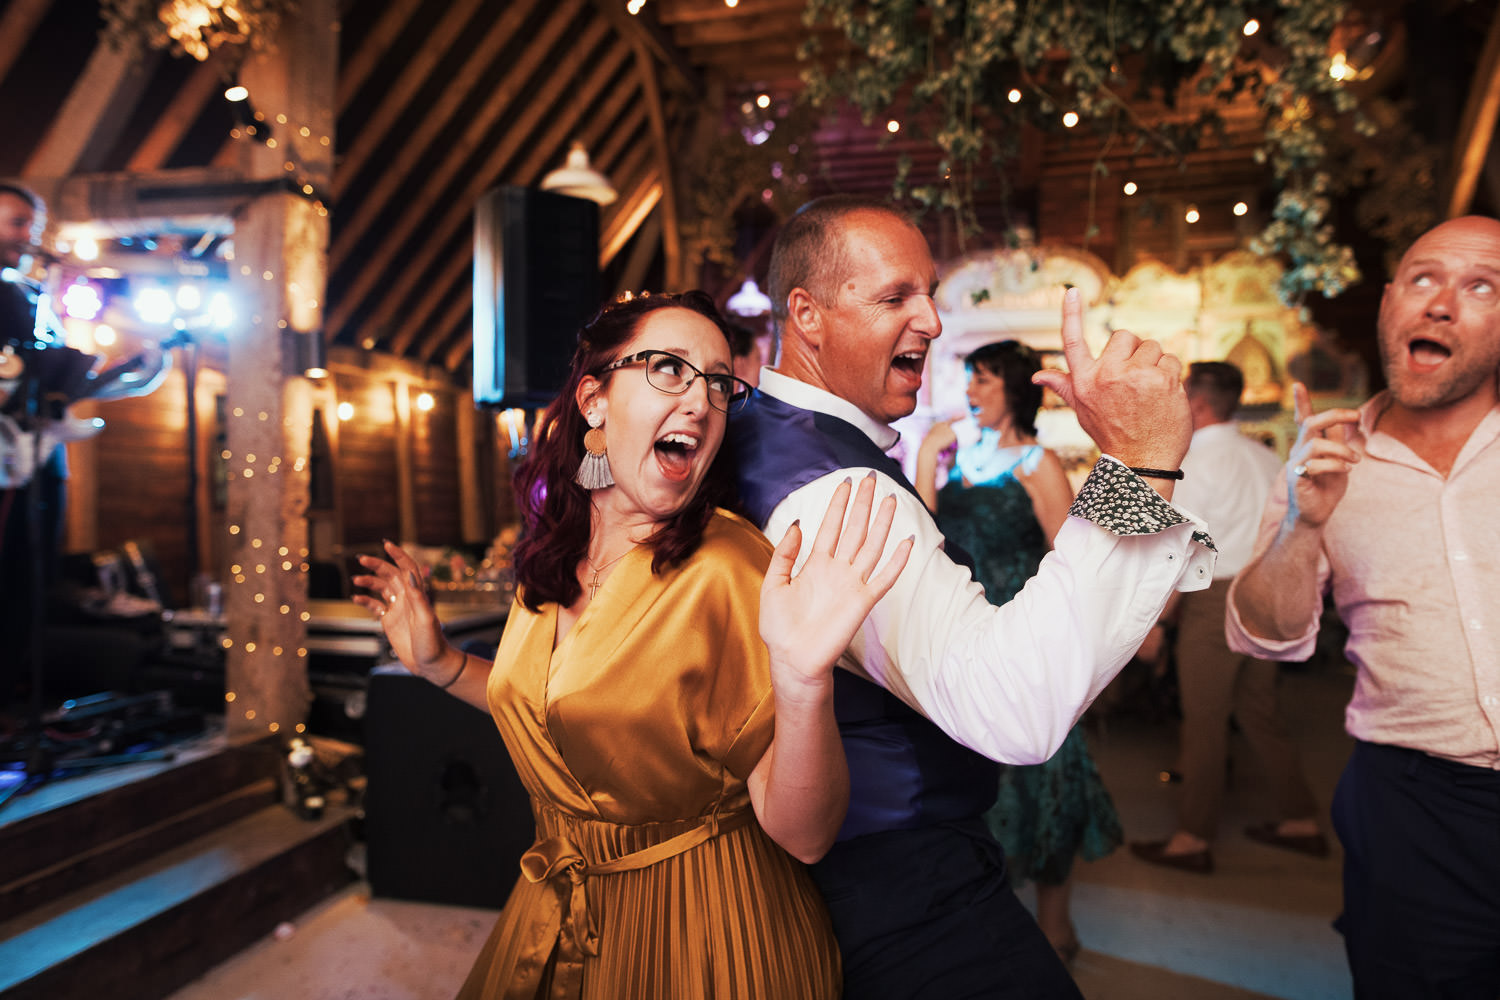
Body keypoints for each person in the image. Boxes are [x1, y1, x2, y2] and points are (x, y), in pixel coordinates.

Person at [354, 290, 912, 999]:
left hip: (705, 928)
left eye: (717, 382)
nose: (703, 401)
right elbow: (564, 718)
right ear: (593, 400)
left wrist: (806, 682)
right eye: (669, 369)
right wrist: (441, 665)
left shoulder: (732, 569)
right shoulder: (555, 553)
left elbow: (805, 835)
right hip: (562, 908)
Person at [728, 195, 1216, 999]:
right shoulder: (837, 491)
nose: (930, 319)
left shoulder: (771, 435)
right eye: (894, 297)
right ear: (806, 316)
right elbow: (1008, 708)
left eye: (929, 291)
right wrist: (1143, 464)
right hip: (900, 877)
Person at [1227, 216, 1500, 998]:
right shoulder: (1320, 464)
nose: (1441, 304)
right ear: (1387, 307)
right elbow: (1262, 634)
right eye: (1422, 279)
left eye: (1480, 286)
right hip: (1415, 812)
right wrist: (1301, 523)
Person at [915, 339, 1123, 964]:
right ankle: (990, 916)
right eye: (968, 380)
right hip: (962, 623)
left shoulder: (1038, 461)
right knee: (979, 771)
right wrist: (926, 459)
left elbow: (1071, 561)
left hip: (1024, 627)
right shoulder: (952, 457)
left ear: (1013, 388)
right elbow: (925, 541)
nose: (971, 392)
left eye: (982, 380)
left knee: (1048, 769)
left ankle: (1056, 925)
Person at [1130, 361, 1324, 875]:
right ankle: (1301, 818)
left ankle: (1193, 837)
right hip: (1262, 592)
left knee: (1204, 719)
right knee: (1259, 710)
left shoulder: (1194, 460)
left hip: (1213, 596)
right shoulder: (1264, 456)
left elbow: (1182, 548)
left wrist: (1158, 622)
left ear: (1196, 403)